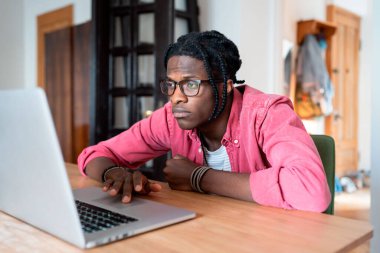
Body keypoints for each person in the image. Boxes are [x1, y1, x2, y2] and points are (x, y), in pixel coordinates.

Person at [78, 30, 331, 212]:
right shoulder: (169, 118)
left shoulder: (267, 114)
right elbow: (94, 155)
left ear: (227, 87)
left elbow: (312, 192)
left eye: (190, 85)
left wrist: (198, 177)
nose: (176, 97)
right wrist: (114, 172)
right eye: (171, 84)